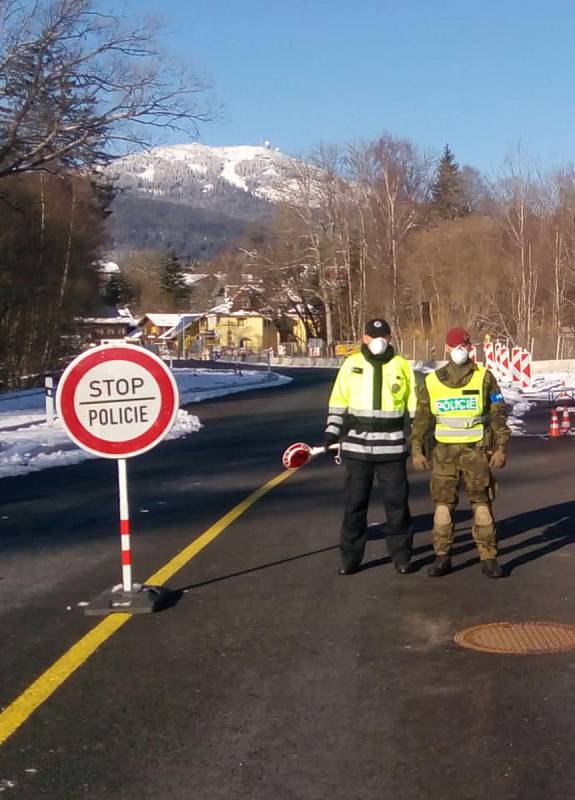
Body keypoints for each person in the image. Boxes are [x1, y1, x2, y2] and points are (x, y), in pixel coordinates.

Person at [410, 327, 510, 578]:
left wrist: (501, 448)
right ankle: (442, 557)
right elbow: (421, 419)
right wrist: (416, 450)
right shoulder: (431, 381)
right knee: (443, 507)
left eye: (465, 346)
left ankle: (489, 557)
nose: (460, 351)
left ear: (471, 348)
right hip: (443, 454)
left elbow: (498, 413)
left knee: (482, 505)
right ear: (447, 348)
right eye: (456, 346)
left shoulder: (484, 377)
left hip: (476, 452)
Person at [324, 318, 416, 575]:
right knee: (355, 504)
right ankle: (350, 558)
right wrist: (332, 432)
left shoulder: (402, 366)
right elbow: (338, 400)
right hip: (357, 447)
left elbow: (413, 404)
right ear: (364, 338)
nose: (378, 341)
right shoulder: (351, 365)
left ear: (390, 338)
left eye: (383, 336)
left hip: (392, 448)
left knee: (397, 505)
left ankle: (402, 557)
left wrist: (419, 438)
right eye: (373, 336)